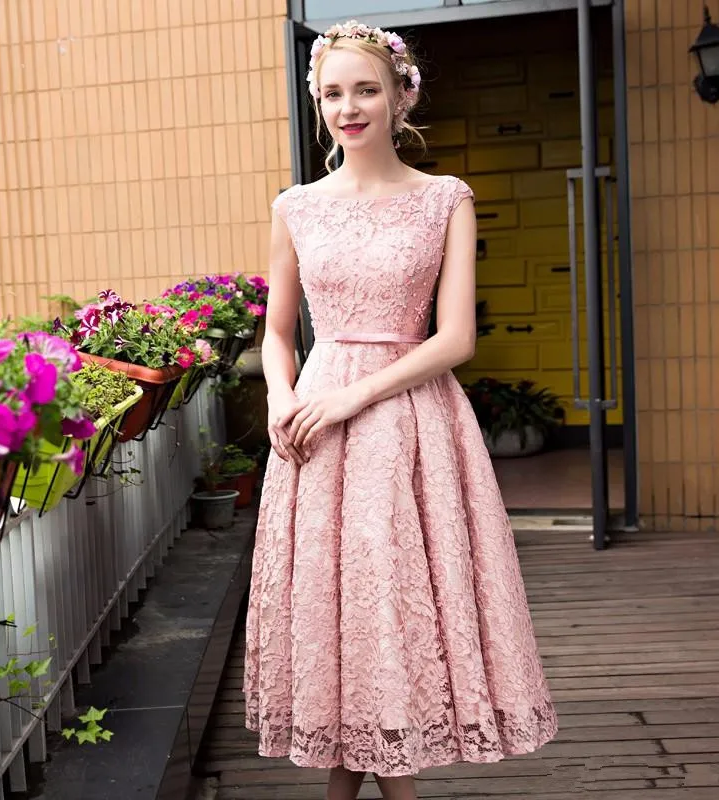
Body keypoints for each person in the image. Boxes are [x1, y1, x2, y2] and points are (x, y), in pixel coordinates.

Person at [243, 19, 558, 800]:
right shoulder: (296, 207)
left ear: (399, 94)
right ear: (318, 102)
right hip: (312, 432)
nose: (349, 107)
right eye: (332, 93)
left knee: (388, 597)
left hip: (407, 421)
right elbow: (276, 335)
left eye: (365, 90)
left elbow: (455, 340)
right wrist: (286, 397)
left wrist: (351, 393)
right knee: (337, 604)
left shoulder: (444, 200)